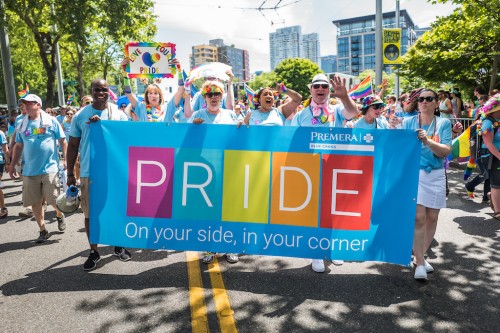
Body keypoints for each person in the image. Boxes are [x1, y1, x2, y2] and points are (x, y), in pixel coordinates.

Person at [291, 73, 359, 273]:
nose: (320, 89)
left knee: (332, 211)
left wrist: (344, 96)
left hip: (335, 168)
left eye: (324, 86)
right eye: (316, 86)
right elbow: (293, 144)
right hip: (310, 170)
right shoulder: (300, 116)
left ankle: (330, 248)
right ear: (310, 90)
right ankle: (316, 250)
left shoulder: (338, 110)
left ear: (329, 90)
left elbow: (353, 113)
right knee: (314, 212)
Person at [66, 78, 131, 271]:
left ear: (108, 91)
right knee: (90, 214)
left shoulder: (119, 115)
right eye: (96, 89)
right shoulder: (80, 116)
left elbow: (126, 141)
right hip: (89, 172)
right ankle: (94, 251)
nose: (100, 92)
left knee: (116, 210)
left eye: (104, 89)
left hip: (113, 172)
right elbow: (72, 146)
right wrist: (70, 173)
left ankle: (118, 244)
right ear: (91, 91)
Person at [398, 89, 452, 281]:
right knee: (418, 217)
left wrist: (427, 141)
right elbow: (398, 147)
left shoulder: (444, 123)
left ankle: (418, 254)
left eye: (429, 99)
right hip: (415, 174)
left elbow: (445, 151)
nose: (424, 102)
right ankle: (420, 262)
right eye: (421, 99)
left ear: (437, 103)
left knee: (432, 218)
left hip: (436, 174)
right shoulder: (408, 122)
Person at [188, 80, 239, 264]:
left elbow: (240, 137)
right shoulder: (198, 114)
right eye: (210, 94)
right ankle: (209, 247)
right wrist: (193, 127)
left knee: (229, 209)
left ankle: (231, 246)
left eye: (217, 93)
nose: (214, 97)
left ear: (222, 95)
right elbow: (187, 139)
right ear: (204, 97)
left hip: (228, 168)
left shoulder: (231, 115)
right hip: (206, 170)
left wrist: (242, 127)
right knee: (209, 210)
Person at [8, 94, 67, 243]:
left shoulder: (51, 120)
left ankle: (59, 214)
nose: (26, 106)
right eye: (24, 103)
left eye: (29, 103)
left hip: (50, 168)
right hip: (29, 170)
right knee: (35, 202)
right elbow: (19, 145)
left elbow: (63, 140)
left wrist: (66, 160)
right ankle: (42, 230)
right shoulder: (21, 122)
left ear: (38, 105)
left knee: (53, 199)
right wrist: (12, 164)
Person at [477, 93, 500, 220]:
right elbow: (488, 143)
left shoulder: (497, 121)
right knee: (497, 183)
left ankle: (492, 195)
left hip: (497, 155)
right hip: (492, 157)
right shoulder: (487, 122)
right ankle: (497, 212)